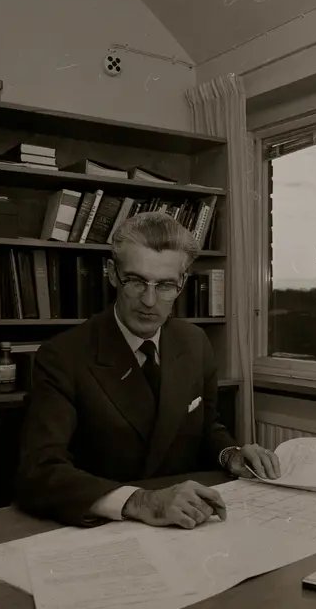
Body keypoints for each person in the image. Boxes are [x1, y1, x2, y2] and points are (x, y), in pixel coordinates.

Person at [16, 210, 280, 529]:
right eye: (136, 281)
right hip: (103, 527)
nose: (150, 301)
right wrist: (142, 501)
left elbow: (205, 428)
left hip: (184, 525)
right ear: (112, 274)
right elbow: (39, 471)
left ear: (182, 284)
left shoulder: (195, 342)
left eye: (166, 285)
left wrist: (231, 454)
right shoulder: (62, 355)